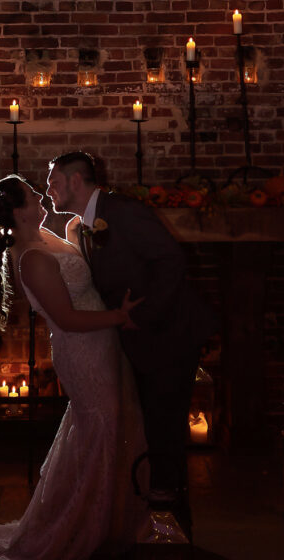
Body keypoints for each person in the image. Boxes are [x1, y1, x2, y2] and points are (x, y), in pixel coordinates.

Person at [0, 174, 148, 560]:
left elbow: (81, 274)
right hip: (83, 349)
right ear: (19, 211)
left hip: (102, 343)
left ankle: (110, 523)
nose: (41, 196)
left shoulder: (45, 236)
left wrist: (74, 231)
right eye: (33, 195)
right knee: (101, 430)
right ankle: (85, 528)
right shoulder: (31, 258)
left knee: (108, 429)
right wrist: (119, 317)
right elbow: (66, 319)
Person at [46, 151, 216, 535]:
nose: (49, 189)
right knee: (153, 431)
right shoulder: (82, 225)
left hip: (169, 337)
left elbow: (171, 260)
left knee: (166, 433)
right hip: (140, 343)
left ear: (76, 180)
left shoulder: (121, 211)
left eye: (53, 180)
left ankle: (172, 534)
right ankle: (155, 526)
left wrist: (139, 317)